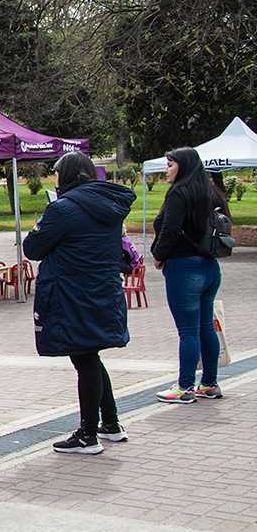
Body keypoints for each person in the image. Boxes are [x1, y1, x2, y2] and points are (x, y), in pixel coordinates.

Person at [24, 152, 135, 454]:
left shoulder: (63, 209)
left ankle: (88, 434)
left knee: (84, 358)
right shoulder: (108, 204)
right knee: (91, 355)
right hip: (101, 290)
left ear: (68, 175)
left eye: (57, 173)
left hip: (73, 293)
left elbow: (32, 247)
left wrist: (40, 225)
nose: (55, 179)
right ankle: (110, 423)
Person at [151, 147, 229, 403]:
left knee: (188, 331)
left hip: (184, 268)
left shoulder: (179, 194)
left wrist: (159, 255)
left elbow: (169, 231)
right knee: (206, 326)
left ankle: (185, 386)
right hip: (210, 267)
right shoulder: (211, 192)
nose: (167, 169)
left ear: (182, 166)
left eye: (170, 164)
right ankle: (209, 382)